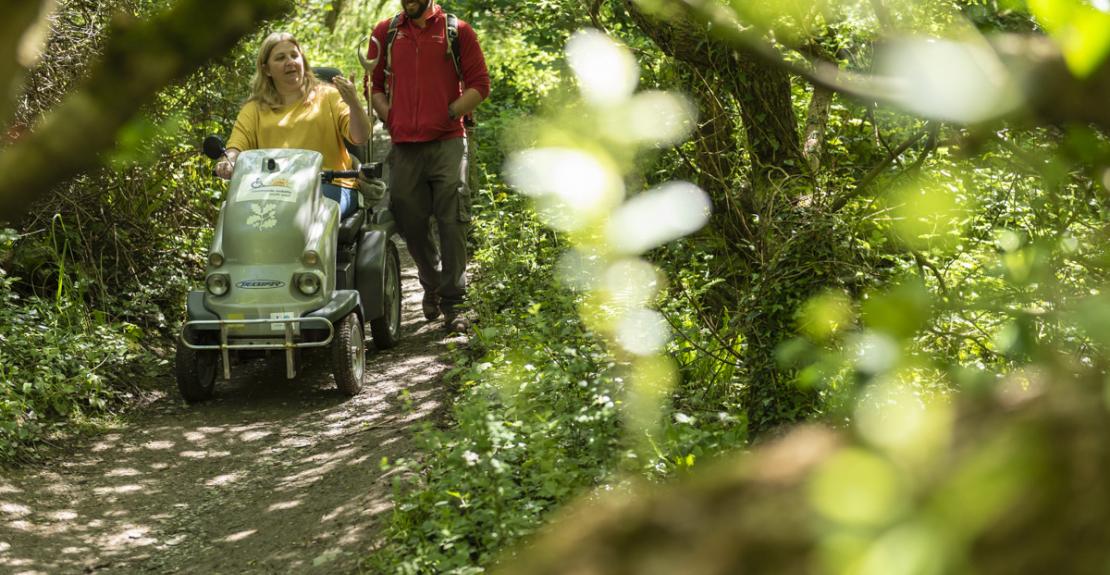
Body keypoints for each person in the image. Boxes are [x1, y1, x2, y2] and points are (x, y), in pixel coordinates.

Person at [366, 0, 490, 333]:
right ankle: (432, 281)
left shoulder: (457, 31)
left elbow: (480, 85)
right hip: (405, 146)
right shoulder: (386, 32)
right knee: (409, 220)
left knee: (452, 221)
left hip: (448, 142)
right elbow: (374, 86)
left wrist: (449, 113)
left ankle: (454, 302)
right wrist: (390, 115)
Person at [217, 32, 371, 219]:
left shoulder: (329, 96)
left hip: (330, 186)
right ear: (266, 70)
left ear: (302, 61)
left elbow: (361, 137)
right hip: (271, 190)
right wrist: (228, 162)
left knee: (296, 216)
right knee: (233, 216)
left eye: (294, 55)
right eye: (281, 58)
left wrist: (354, 103)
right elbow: (236, 147)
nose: (290, 61)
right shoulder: (254, 108)